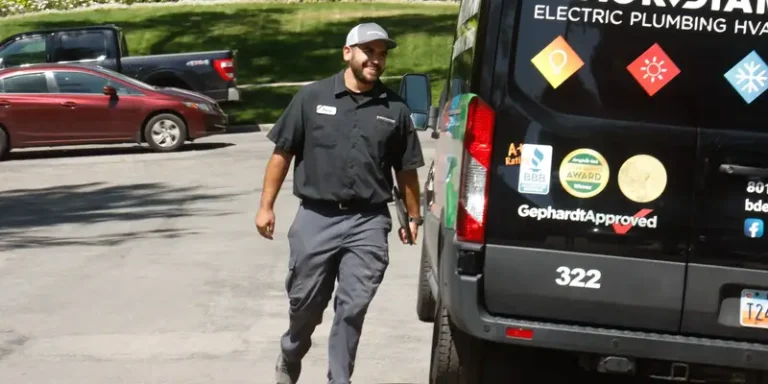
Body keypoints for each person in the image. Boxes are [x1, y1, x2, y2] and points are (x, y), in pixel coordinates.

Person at [254, 22, 425, 384]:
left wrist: (413, 216)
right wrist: (266, 206)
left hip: (368, 222)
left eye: (382, 54)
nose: (376, 60)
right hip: (316, 217)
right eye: (368, 51)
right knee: (306, 304)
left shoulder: (395, 109)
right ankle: (291, 351)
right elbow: (282, 154)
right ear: (348, 53)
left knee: (353, 308)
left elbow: (406, 169)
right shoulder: (311, 98)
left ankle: (340, 379)